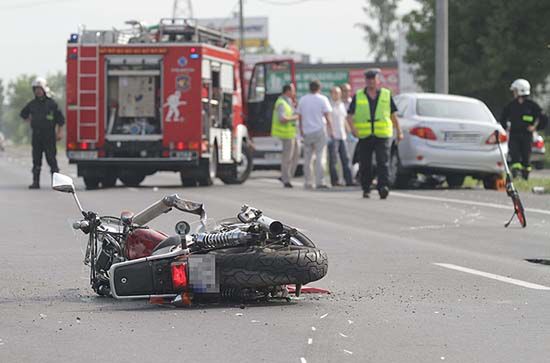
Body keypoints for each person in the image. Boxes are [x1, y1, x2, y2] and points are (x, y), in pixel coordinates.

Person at [347, 69, 403, 199]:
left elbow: (393, 115)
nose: (371, 82)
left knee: (383, 162)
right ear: (365, 81)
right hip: (365, 135)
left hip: (382, 134)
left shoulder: (386, 95)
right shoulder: (359, 95)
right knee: (365, 163)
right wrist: (353, 130)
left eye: (373, 79)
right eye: (368, 79)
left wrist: (399, 131)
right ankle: (366, 188)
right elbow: (349, 116)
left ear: (378, 81)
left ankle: (383, 187)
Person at [20, 77, 64, 189]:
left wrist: (59, 132)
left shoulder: (52, 104)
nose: (38, 91)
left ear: (44, 89)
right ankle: (36, 182)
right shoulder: (32, 104)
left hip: (49, 136)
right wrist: (30, 121)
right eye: (36, 89)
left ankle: (57, 183)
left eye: (40, 89)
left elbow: (60, 120)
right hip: (36, 136)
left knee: (52, 160)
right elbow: (23, 114)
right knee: (36, 160)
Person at [500, 79, 542, 180]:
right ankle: (515, 175)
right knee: (514, 155)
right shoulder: (511, 105)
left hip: (527, 136)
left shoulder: (532, 106)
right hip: (514, 135)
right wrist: (505, 128)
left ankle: (525, 177)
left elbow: (541, 117)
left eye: (515, 90)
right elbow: (503, 117)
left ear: (520, 90)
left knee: (526, 157)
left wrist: (534, 127)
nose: (513, 93)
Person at [297, 80, 333, 189]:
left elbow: (300, 116)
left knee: (308, 158)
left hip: (307, 131)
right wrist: (331, 129)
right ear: (319, 88)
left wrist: (301, 130)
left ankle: (308, 181)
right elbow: (327, 115)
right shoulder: (323, 99)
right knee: (320, 156)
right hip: (319, 131)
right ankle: (320, 181)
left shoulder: (303, 99)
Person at [271, 84, 300, 188]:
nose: (294, 93)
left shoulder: (289, 102)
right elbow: (282, 119)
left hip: (293, 133)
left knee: (295, 156)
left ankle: (286, 175)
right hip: (286, 134)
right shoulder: (281, 103)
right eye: (293, 90)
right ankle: (286, 179)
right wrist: (296, 117)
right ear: (288, 91)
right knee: (287, 157)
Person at [327, 86, 354, 186]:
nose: (337, 95)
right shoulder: (329, 105)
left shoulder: (341, 105)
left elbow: (345, 119)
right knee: (333, 160)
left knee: (346, 159)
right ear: (331, 94)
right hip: (333, 136)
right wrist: (330, 132)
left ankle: (349, 180)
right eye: (335, 93)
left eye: (338, 93)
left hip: (342, 135)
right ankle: (335, 181)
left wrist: (350, 131)